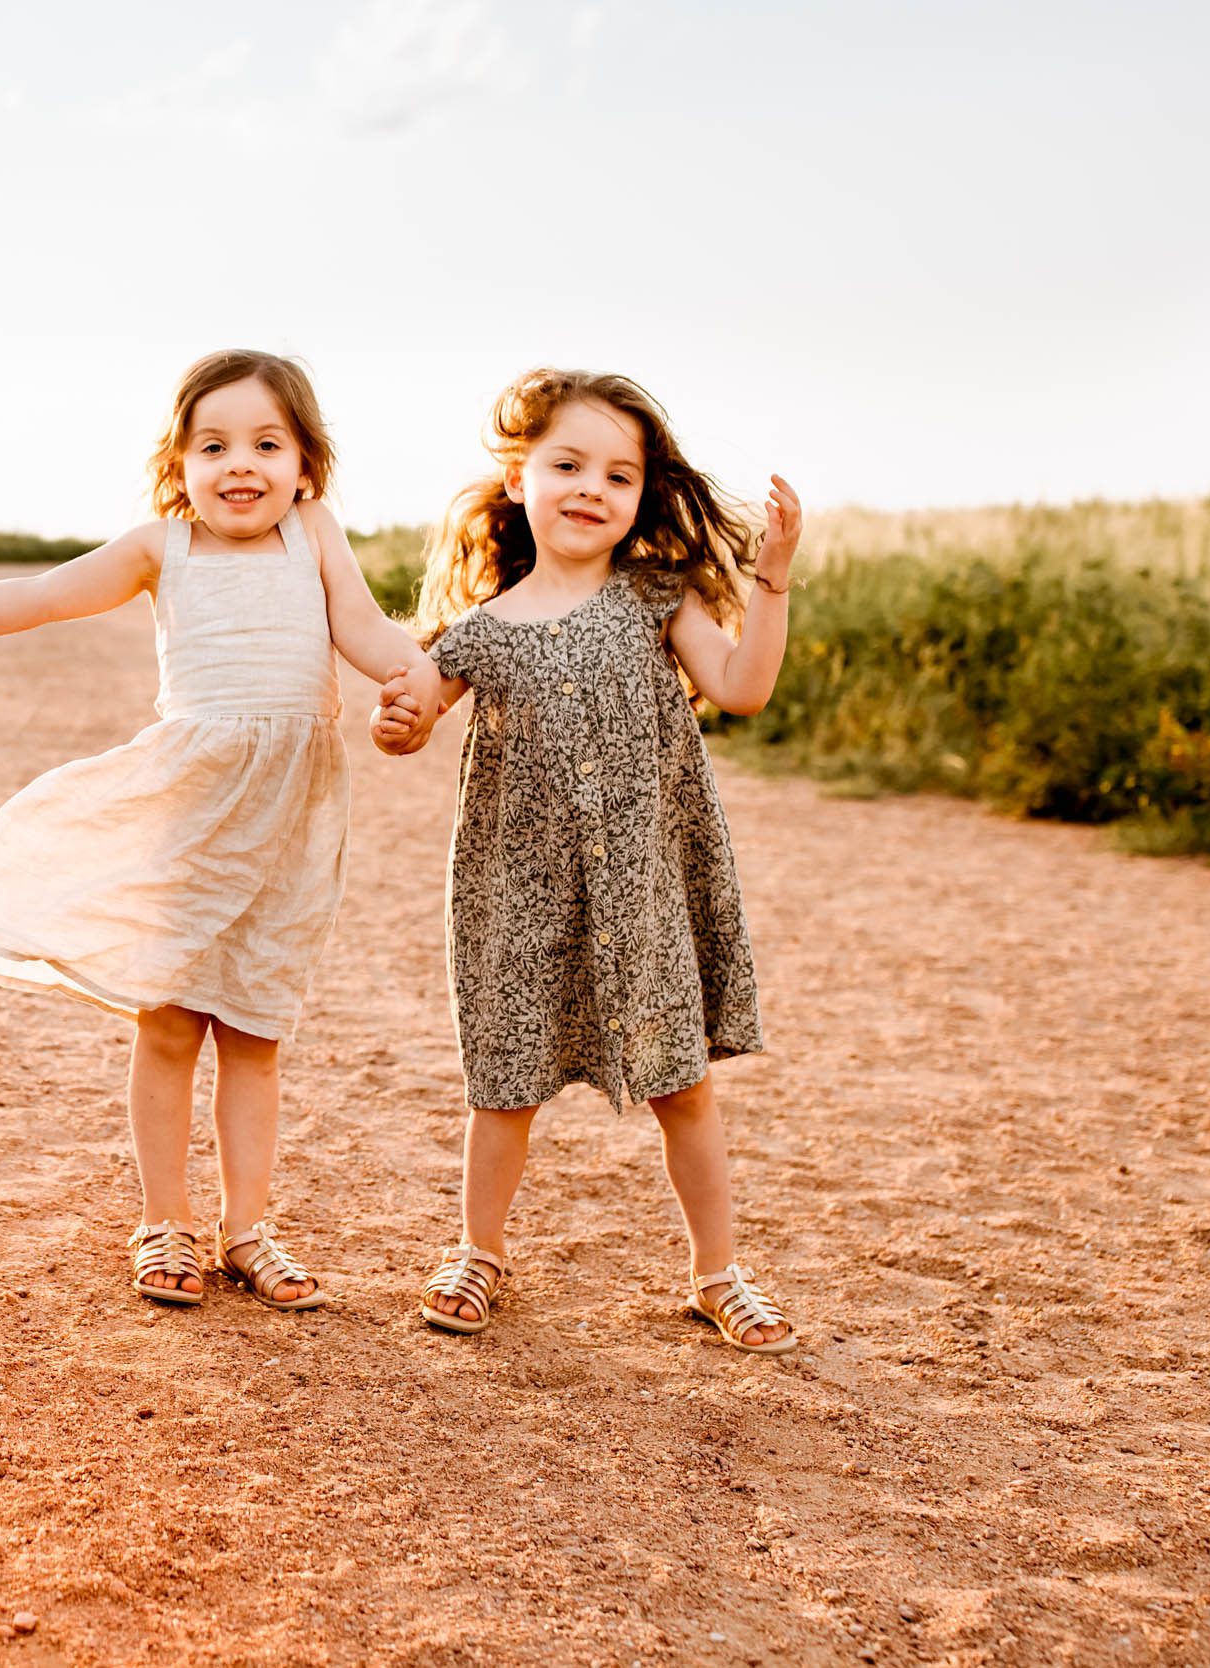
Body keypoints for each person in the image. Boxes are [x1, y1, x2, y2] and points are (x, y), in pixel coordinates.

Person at [0, 349, 427, 1312]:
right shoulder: (162, 548)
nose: (240, 465)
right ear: (178, 461)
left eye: (267, 443)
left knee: (256, 1032)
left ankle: (249, 1229)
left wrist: (425, 676)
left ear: (307, 463)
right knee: (173, 1023)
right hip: (191, 819)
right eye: (212, 445)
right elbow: (44, 594)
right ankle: (164, 1220)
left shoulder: (314, 535)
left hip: (292, 824)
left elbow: (369, 632)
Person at [371, 368, 803, 1354]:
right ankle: (479, 1251)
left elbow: (742, 687)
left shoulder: (657, 595)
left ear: (642, 497)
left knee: (681, 1083)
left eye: (617, 474)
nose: (588, 488)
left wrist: (770, 578)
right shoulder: (476, 634)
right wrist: (395, 720)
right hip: (517, 897)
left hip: (639, 889)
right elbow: (412, 721)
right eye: (566, 464)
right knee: (504, 1080)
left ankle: (717, 1272)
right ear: (519, 478)